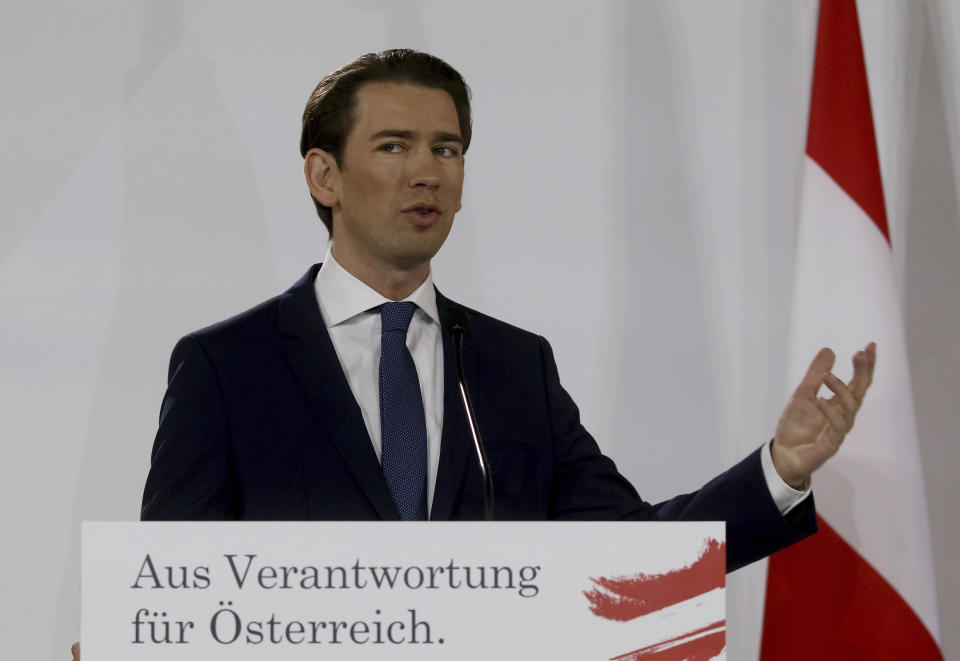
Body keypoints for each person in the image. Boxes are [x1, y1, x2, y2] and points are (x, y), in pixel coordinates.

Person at [139, 48, 873, 568]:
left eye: (448, 149)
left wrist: (781, 469)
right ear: (324, 174)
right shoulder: (228, 367)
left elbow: (629, 551)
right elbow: (174, 585)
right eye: (394, 146)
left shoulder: (512, 366)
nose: (427, 172)